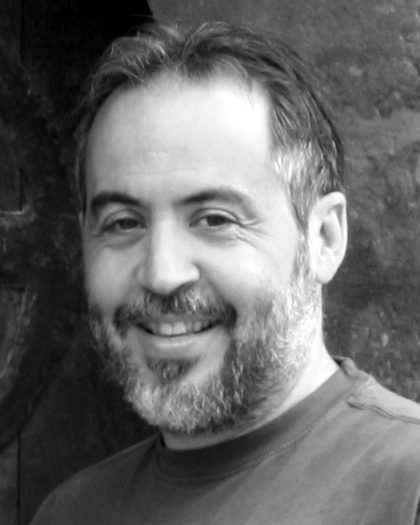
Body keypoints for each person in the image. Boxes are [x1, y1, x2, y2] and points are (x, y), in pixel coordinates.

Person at [32, 21, 420, 525]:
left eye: (215, 220)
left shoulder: (407, 488)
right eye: (124, 223)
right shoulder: (69, 512)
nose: (162, 274)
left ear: (324, 238)